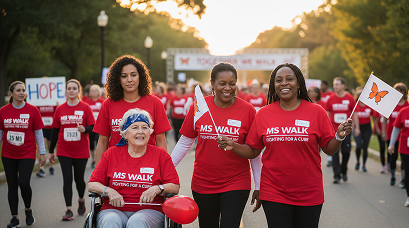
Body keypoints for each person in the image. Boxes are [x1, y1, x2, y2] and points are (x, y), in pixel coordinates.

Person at [217, 63, 353, 227]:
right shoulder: (263, 114)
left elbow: (328, 149)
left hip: (309, 193)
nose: (284, 83)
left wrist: (339, 136)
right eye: (278, 80)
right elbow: (253, 150)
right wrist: (234, 145)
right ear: (274, 85)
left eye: (290, 79)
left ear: (299, 83)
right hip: (274, 192)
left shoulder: (316, 112)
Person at [171, 62, 261, 228]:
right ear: (212, 84)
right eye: (222, 83)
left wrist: (259, 183)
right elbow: (185, 142)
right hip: (203, 182)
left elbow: (255, 152)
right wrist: (166, 168)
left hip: (236, 181)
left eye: (232, 84)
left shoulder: (248, 111)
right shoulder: (199, 107)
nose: (228, 88)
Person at [88, 108, 179, 228]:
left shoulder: (160, 155)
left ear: (150, 132)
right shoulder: (111, 154)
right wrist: (108, 191)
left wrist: (157, 189)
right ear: (125, 134)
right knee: (111, 222)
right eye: (135, 127)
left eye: (145, 127)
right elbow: (92, 184)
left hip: (150, 210)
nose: (140, 131)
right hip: (112, 209)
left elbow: (175, 186)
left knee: (137, 222)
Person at [94, 55, 171, 163]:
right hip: (116, 168)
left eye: (133, 75)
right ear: (118, 79)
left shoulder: (155, 103)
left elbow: (160, 140)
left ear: (140, 76)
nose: (129, 80)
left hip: (147, 168)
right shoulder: (108, 104)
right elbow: (102, 142)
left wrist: (163, 169)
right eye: (124, 76)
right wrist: (98, 175)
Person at [48, 79, 95, 220]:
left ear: (79, 91)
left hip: (81, 149)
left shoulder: (85, 107)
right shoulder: (60, 109)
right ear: (66, 91)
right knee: (67, 178)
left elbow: (93, 128)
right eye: (69, 88)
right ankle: (68, 209)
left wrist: (84, 129)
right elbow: (55, 131)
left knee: (79, 180)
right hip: (64, 149)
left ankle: (81, 199)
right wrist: (51, 151)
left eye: (74, 88)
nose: (71, 90)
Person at [1, 81, 46, 227]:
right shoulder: (3, 111)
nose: (21, 93)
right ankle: (14, 218)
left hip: (27, 152)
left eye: (23, 90)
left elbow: (38, 133)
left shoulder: (33, 110)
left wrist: (42, 152)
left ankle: (28, 209)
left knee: (24, 182)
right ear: (11, 93)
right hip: (8, 153)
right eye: (18, 90)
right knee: (12, 185)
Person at [325, 77, 360, 183]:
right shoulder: (330, 99)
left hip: (346, 131)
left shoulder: (350, 98)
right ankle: (336, 175)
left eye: (337, 84)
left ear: (343, 86)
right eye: (334, 84)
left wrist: (357, 127)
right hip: (334, 131)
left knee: (346, 152)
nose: (335, 86)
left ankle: (343, 170)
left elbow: (354, 113)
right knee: (334, 153)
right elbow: (327, 114)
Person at [382, 83, 408, 187]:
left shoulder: (407, 105)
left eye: (401, 91)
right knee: (393, 157)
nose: (399, 93)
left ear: (404, 93)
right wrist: (383, 132)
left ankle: (403, 179)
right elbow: (384, 120)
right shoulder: (390, 104)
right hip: (391, 135)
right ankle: (393, 176)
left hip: (404, 136)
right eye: (397, 91)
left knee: (404, 158)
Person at [84, 84, 105, 168]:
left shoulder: (102, 101)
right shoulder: (87, 102)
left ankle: (99, 159)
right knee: (91, 144)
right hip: (90, 126)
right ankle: (93, 159)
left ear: (98, 92)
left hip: (100, 125)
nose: (94, 92)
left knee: (98, 142)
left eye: (95, 90)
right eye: (92, 91)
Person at [353, 92, 373, 172]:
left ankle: (364, 164)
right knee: (358, 146)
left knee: (365, 147)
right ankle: (358, 161)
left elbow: (374, 116)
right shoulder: (355, 105)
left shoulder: (369, 106)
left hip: (367, 128)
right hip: (358, 128)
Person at [37, 104, 56, 177]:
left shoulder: (53, 101)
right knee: (41, 147)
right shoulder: (39, 102)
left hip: (52, 127)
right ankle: (41, 169)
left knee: (51, 148)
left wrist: (57, 105)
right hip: (42, 127)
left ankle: (51, 166)